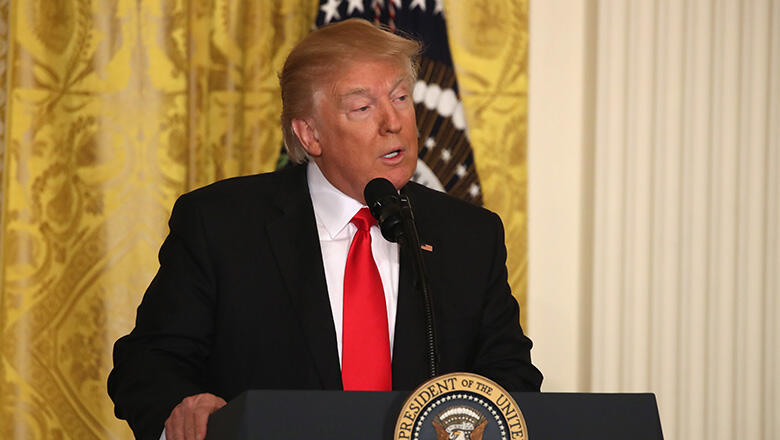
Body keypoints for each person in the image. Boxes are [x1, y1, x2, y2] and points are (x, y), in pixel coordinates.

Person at [108, 18, 542, 440]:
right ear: (310, 134)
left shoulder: (470, 235)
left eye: (402, 97)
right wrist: (183, 407)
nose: (393, 122)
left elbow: (512, 378)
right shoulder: (221, 224)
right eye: (363, 107)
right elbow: (147, 365)